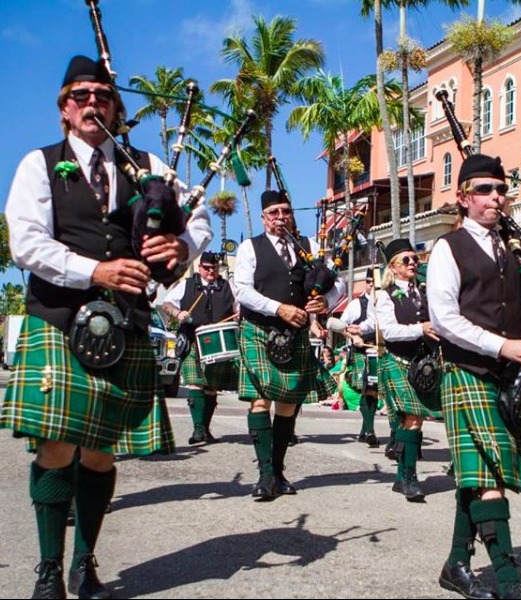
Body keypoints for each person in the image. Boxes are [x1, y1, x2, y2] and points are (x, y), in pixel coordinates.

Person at [0, 55, 212, 599]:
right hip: (59, 318)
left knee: (97, 450)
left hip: (127, 323)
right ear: (64, 110)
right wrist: (95, 270)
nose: (91, 102)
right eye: (79, 95)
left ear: (116, 109)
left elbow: (200, 213)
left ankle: (85, 561)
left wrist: (182, 245)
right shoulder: (38, 164)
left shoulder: (148, 166)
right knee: (54, 447)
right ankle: (49, 569)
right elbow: (26, 243)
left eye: (101, 95)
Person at [427, 154, 521, 599]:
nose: (495, 198)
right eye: (484, 190)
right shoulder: (447, 249)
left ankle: (456, 563)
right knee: (488, 480)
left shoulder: (520, 248)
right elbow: (445, 318)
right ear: (463, 197)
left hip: (514, 378)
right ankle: (510, 582)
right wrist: (503, 345)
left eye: (500, 190)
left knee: (479, 474)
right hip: (470, 371)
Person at [233, 189, 345, 501]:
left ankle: (278, 471)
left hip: (294, 335)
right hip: (259, 329)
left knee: (287, 404)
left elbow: (339, 282)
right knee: (260, 401)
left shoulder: (308, 247)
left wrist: (326, 300)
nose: (281, 218)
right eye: (274, 213)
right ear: (263, 217)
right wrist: (277, 308)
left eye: (286, 211)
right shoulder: (249, 248)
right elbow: (241, 290)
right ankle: (265, 473)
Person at [375, 238, 441, 502]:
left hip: (424, 364)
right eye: (407, 259)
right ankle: (409, 477)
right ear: (393, 266)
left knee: (416, 419)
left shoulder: (425, 292)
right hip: (397, 360)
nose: (413, 263)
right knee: (411, 418)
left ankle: (402, 477)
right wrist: (419, 329)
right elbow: (388, 331)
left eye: (415, 259)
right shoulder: (384, 295)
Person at [160, 251, 238, 445]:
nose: (211, 271)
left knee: (211, 386)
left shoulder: (228, 287)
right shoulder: (187, 285)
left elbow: (239, 308)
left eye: (214, 268)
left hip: (218, 343)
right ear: (200, 268)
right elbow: (166, 304)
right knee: (195, 382)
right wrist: (178, 313)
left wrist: (239, 314)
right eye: (207, 268)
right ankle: (198, 429)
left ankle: (205, 428)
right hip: (193, 338)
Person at [340, 276, 381, 447]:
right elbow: (341, 326)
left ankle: (366, 431)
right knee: (367, 388)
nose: (372, 285)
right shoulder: (355, 304)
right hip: (360, 349)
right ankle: (369, 430)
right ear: (366, 283)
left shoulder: (385, 299)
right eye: (370, 282)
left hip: (380, 349)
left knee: (375, 389)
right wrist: (354, 337)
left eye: (375, 282)